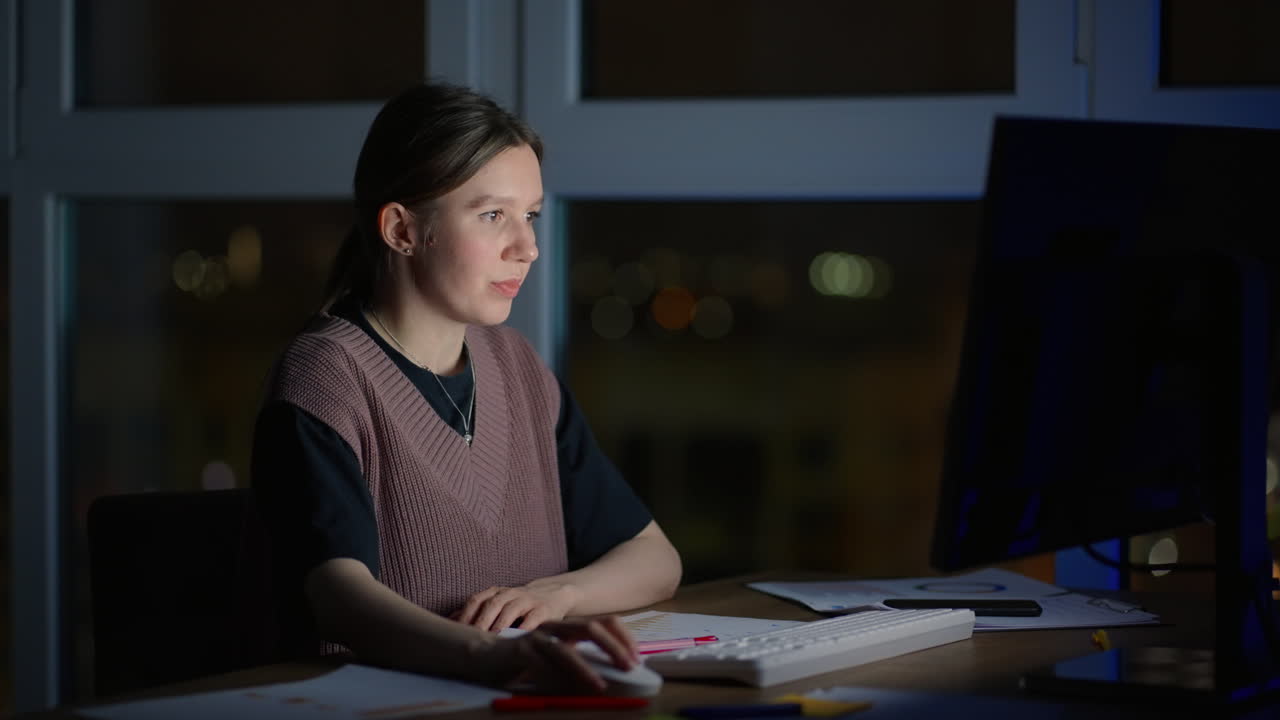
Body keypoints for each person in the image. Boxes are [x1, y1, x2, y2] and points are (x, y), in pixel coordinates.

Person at [251, 80, 682, 692]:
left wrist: (556, 596)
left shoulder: (519, 367)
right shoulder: (325, 375)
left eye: (530, 216)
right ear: (401, 230)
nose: (527, 248)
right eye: (492, 216)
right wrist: (493, 656)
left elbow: (656, 559)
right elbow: (340, 597)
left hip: (519, 696)